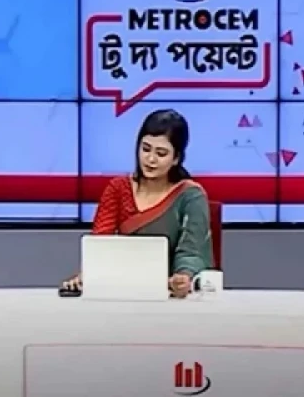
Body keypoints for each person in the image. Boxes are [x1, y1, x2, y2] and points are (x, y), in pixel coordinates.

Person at [62, 109, 213, 298]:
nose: (151, 159)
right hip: (121, 292)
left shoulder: (190, 195)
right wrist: (87, 276)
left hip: (169, 297)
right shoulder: (118, 188)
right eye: (146, 149)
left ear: (176, 158)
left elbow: (191, 252)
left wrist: (183, 277)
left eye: (161, 153)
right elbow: (100, 244)